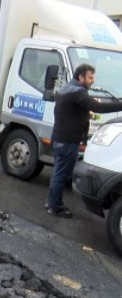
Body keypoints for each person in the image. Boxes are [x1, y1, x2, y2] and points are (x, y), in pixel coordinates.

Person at [47, 64, 122, 218]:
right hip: (68, 141)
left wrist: (86, 116)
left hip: (58, 138)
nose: (92, 81)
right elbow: (98, 107)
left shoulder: (65, 89)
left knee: (57, 173)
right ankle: (55, 207)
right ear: (80, 77)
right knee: (61, 175)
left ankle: (51, 202)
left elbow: (69, 112)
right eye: (89, 77)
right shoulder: (78, 92)